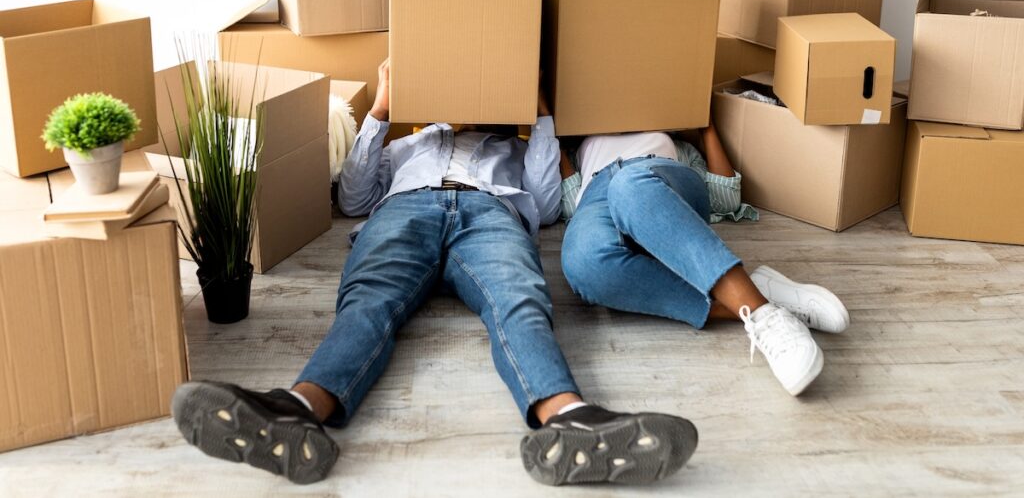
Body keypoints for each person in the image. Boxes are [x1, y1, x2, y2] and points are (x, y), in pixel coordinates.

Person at [172, 61, 697, 487]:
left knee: (519, 301)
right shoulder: (408, 145)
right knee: (368, 302)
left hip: (491, 214)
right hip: (406, 211)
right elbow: (354, 198)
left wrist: (535, 107)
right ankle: (299, 409)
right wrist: (383, 104)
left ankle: (567, 419)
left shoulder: (513, 149)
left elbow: (547, 203)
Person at [559, 125, 850, 397]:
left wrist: (702, 120)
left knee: (629, 185)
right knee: (582, 262)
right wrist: (550, 121)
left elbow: (726, 200)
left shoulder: (679, 144)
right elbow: (569, 204)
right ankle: (752, 297)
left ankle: (765, 316)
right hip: (595, 194)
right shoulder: (578, 144)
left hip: (658, 177)